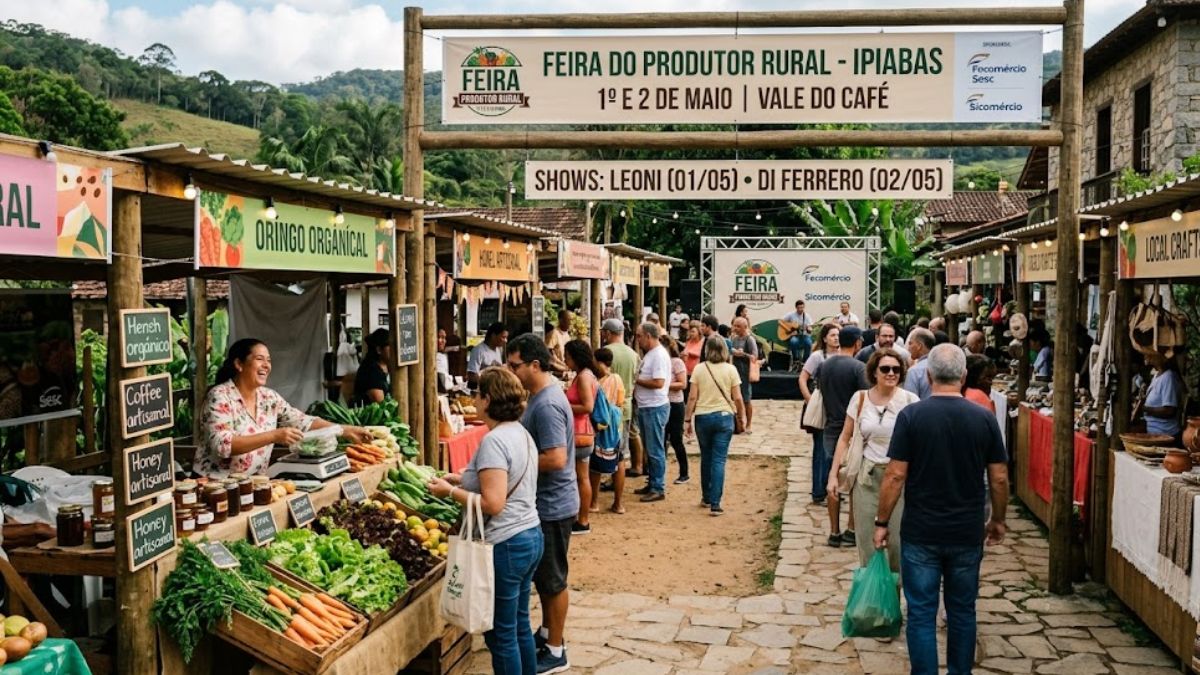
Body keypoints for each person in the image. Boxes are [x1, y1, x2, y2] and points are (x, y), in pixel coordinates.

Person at [874, 344, 1009, 675]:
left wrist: (881, 521)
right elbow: (1000, 477)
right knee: (962, 610)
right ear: (963, 376)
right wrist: (998, 520)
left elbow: (894, 475)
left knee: (921, 612)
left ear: (929, 375)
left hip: (921, 529)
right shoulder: (984, 418)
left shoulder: (912, 416)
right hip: (966, 530)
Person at [425, 367, 541, 675]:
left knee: (500, 635)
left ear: (488, 400)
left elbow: (494, 503)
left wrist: (450, 491)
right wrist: (462, 479)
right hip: (530, 536)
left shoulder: (494, 441)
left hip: (507, 543)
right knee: (519, 625)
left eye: (477, 394)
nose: (474, 400)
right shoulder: (520, 433)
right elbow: (499, 479)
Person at [504, 334, 579, 674]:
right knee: (546, 580)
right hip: (547, 503)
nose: (510, 371)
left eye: (514, 365)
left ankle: (556, 649)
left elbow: (556, 458)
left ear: (535, 365)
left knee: (553, 580)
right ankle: (548, 632)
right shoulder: (540, 396)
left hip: (552, 504)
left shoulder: (547, 404)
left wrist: (517, 465)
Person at [197, 338, 371, 476]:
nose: (266, 365)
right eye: (259, 359)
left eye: (269, 360)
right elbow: (222, 445)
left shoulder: (268, 397)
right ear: (239, 364)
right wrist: (274, 435)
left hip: (254, 484)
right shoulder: (220, 396)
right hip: (215, 485)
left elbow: (303, 422)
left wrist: (345, 430)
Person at [827, 348, 917, 570]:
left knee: (896, 542)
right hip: (866, 477)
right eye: (885, 368)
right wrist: (833, 474)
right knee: (867, 542)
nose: (891, 373)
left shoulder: (910, 401)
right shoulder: (860, 399)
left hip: (898, 479)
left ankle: (892, 599)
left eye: (896, 369)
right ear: (874, 372)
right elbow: (845, 438)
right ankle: (872, 599)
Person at [815, 325, 869, 548]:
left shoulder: (825, 365)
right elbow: (865, 399)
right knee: (854, 480)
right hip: (852, 430)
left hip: (830, 427)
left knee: (833, 478)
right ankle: (851, 529)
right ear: (857, 342)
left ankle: (833, 530)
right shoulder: (859, 368)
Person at [685, 336, 745, 516]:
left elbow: (693, 397)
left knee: (706, 457)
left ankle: (706, 496)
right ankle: (716, 503)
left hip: (703, 417)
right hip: (725, 416)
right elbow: (738, 397)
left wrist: (688, 419)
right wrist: (741, 417)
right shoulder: (731, 370)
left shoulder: (699, 369)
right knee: (719, 460)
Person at [801, 323, 840, 507]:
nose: (836, 338)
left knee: (835, 451)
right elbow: (802, 378)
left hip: (839, 407)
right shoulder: (817, 356)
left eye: (838, 335)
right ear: (824, 338)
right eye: (832, 335)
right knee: (821, 450)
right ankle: (818, 491)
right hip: (822, 407)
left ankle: (831, 487)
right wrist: (810, 400)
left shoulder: (843, 356)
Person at [563, 340, 600, 536]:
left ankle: (582, 519)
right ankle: (581, 518)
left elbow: (587, 407)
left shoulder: (584, 377)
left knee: (580, 478)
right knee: (581, 478)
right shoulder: (586, 375)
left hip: (579, 435)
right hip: (582, 433)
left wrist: (563, 406)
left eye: (567, 356)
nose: (565, 360)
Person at [633, 322, 672, 502]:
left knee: (655, 449)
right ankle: (653, 482)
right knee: (651, 448)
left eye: (639, 336)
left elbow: (658, 382)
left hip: (654, 407)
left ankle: (658, 486)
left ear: (648, 336)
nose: (637, 340)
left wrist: (636, 380)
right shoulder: (652, 354)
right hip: (647, 406)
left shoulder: (658, 356)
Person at [602, 319, 642, 482]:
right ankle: (617, 478)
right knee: (621, 445)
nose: (603, 334)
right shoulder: (633, 355)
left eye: (604, 332)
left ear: (609, 333)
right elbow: (636, 379)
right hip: (625, 404)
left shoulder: (605, 352)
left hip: (606, 404)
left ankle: (612, 477)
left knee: (608, 443)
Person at [590, 347, 626, 514]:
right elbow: (620, 402)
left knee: (595, 466)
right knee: (619, 462)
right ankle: (618, 503)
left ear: (598, 362)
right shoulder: (617, 379)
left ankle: (594, 502)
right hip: (616, 428)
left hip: (599, 428)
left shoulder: (596, 382)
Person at [661, 335, 690, 484]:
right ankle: (660, 473)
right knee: (662, 438)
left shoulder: (676, 362)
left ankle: (684, 472)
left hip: (675, 404)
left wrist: (663, 385)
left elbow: (683, 384)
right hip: (662, 403)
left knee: (676, 439)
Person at [729, 317, 760, 433]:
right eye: (734, 325)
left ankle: (749, 424)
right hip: (735, 372)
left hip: (745, 373)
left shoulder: (749, 339)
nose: (735, 328)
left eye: (738, 326)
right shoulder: (734, 338)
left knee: (746, 400)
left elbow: (754, 356)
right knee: (736, 399)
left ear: (745, 327)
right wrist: (733, 351)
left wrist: (743, 354)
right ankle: (739, 423)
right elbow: (729, 350)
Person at [1145, 353, 1185, 441]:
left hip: (1165, 434)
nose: (1148, 358)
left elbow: (1169, 410)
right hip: (1154, 432)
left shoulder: (1168, 377)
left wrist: (1146, 409)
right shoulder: (1156, 375)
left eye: (1150, 355)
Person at [353, 328, 391, 405]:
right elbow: (381, 404)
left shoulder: (386, 367)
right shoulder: (371, 370)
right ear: (379, 350)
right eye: (390, 345)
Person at [468, 322, 508, 387]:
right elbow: (472, 376)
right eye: (503, 337)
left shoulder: (498, 350)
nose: (505, 340)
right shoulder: (478, 351)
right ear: (493, 336)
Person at [904, 328, 936, 400]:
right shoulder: (944, 365)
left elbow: (909, 402)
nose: (908, 348)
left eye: (910, 343)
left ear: (919, 346)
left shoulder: (914, 372)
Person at [782, 299, 814, 367]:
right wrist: (789, 329)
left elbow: (810, 328)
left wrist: (809, 329)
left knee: (809, 343)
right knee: (793, 342)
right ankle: (795, 360)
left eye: (802, 307)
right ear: (796, 307)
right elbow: (781, 322)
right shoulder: (791, 315)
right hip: (795, 336)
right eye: (799, 308)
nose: (801, 309)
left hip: (805, 335)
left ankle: (804, 361)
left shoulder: (807, 316)